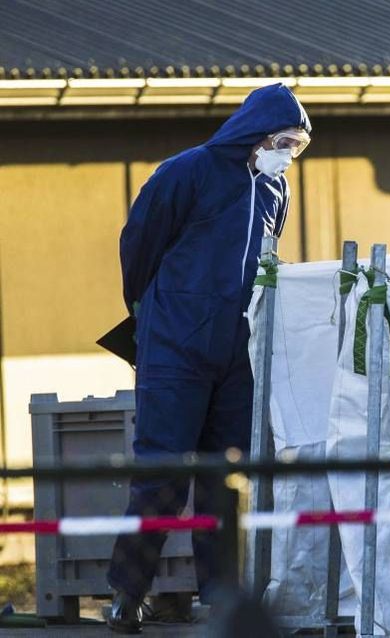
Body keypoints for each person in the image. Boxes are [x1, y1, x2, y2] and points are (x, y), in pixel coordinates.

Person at [106, 83, 311, 634]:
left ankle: (221, 596)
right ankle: (127, 593)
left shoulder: (275, 189)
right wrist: (153, 313)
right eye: (284, 142)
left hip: (236, 352)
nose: (288, 155)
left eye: (296, 146)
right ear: (258, 135)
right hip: (175, 343)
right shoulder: (187, 171)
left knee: (226, 478)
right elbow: (139, 244)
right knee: (162, 471)